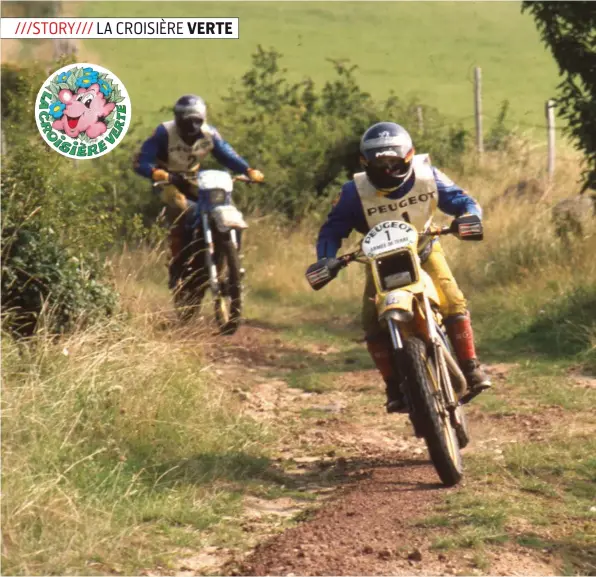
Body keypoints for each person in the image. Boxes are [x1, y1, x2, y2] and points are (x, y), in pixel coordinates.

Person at [315, 121, 491, 413]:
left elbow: (462, 200)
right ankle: (393, 385)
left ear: (409, 157)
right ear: (365, 162)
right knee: (372, 321)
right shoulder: (352, 192)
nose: (386, 169)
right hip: (379, 262)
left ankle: (470, 367)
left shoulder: (428, 176)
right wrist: (326, 258)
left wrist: (468, 216)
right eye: (378, 162)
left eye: (393, 161)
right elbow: (332, 230)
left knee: (453, 299)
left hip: (424, 250)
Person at [133, 94, 264, 289]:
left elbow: (226, 154)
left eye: (197, 121)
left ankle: (233, 261)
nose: (192, 127)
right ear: (178, 119)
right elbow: (141, 161)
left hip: (194, 178)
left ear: (203, 119)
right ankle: (177, 262)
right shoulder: (164, 132)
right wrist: (155, 173)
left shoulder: (209, 134)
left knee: (228, 209)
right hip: (168, 180)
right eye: (188, 121)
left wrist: (247, 170)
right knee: (182, 208)